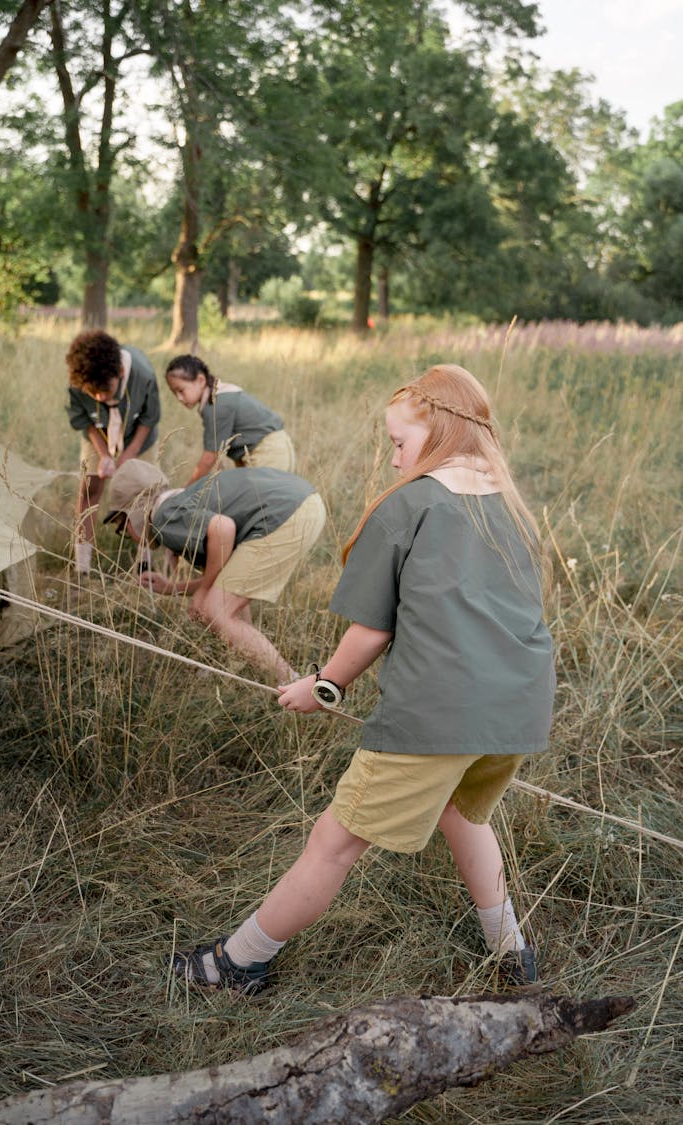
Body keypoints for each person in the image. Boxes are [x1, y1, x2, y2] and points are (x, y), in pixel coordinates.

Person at [173, 363, 556, 995]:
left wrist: (321, 687)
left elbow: (370, 633)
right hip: (517, 709)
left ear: (436, 435)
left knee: (333, 842)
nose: (393, 457)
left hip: (440, 714)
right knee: (463, 813)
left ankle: (238, 962)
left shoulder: (409, 505)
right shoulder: (509, 505)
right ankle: (511, 949)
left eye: (399, 442)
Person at [104, 460, 326, 683]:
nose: (126, 535)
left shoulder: (162, 517)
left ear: (133, 512)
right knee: (221, 606)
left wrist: (204, 592)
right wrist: (173, 588)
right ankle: (248, 666)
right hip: (305, 502)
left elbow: (223, 528)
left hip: (285, 514)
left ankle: (292, 683)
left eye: (122, 527)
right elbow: (226, 580)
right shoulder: (185, 501)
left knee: (215, 609)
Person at [66, 330, 161, 574]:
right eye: (91, 392)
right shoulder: (80, 379)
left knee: (144, 491)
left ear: (119, 373)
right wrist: (105, 456)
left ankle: (144, 559)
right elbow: (83, 419)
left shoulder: (143, 375)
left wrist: (127, 456)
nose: (98, 396)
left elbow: (149, 420)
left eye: (105, 391)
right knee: (89, 489)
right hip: (99, 431)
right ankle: (82, 565)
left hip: (137, 434)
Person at [165, 355, 296, 483]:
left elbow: (210, 457)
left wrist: (186, 491)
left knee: (259, 502)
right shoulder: (219, 395)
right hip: (278, 448)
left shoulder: (216, 405)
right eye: (174, 393)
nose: (179, 398)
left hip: (268, 454)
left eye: (181, 390)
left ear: (201, 380)